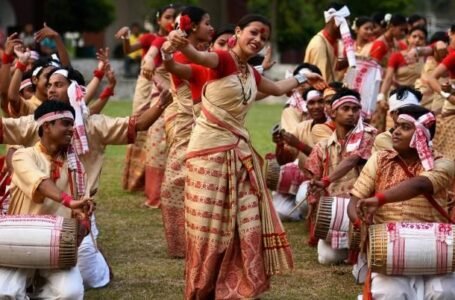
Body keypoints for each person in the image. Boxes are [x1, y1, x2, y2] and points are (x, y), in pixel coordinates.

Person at [165, 13, 326, 299]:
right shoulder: (221, 59)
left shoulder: (250, 73)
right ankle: (203, 289)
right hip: (209, 155)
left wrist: (303, 76)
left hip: (238, 154)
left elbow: (276, 88)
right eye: (253, 33)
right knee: (210, 230)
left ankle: (237, 287)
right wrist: (175, 45)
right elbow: (193, 56)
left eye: (263, 37)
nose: (258, 40)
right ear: (237, 32)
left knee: (245, 220)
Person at [1, 67, 172, 288]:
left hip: (76, 215)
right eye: (49, 84)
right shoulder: (37, 122)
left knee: (90, 280)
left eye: (58, 84)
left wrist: (161, 103)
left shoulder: (94, 125)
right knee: (9, 288)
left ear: (76, 90)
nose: (51, 89)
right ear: (46, 127)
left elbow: (138, 124)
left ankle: (93, 256)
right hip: (31, 215)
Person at [350, 105, 455, 299]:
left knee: (444, 293)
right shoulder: (380, 159)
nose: (395, 132)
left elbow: (421, 184)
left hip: (434, 247)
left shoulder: (443, 163)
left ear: (422, 135)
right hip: (389, 247)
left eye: (405, 127)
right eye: (395, 126)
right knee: (390, 294)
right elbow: (355, 199)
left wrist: (378, 199)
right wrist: (361, 225)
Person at [0, 100, 92, 299]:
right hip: (19, 241)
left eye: (72, 123)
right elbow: (39, 182)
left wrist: (82, 221)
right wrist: (69, 201)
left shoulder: (76, 166)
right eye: (65, 123)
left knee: (71, 293)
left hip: (56, 246)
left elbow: (81, 211)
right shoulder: (22, 156)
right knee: (4, 293)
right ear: (47, 126)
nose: (71, 129)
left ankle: (37, 290)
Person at [304, 87, 377, 261]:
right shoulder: (322, 147)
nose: (351, 113)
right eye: (346, 109)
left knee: (362, 255)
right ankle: (347, 246)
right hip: (335, 211)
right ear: (333, 112)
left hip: (361, 207)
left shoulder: (369, 136)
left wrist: (326, 181)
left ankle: (356, 246)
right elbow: (314, 180)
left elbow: (352, 160)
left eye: (355, 109)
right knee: (326, 258)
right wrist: (316, 192)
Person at [120, 4, 176, 197]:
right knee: (139, 124)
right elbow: (129, 50)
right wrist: (126, 37)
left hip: (165, 83)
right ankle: (135, 179)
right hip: (147, 81)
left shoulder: (179, 41)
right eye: (167, 17)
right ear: (159, 20)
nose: (171, 21)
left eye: (174, 18)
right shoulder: (151, 38)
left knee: (157, 133)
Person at [379, 26, 427, 129]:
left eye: (421, 38)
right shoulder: (397, 56)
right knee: (393, 130)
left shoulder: (427, 59)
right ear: (408, 38)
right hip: (397, 97)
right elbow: (388, 78)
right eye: (414, 36)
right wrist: (382, 96)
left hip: (417, 99)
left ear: (425, 42)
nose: (417, 40)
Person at [369, 14, 408, 133]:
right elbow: (373, 68)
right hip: (378, 87)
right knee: (377, 121)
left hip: (392, 86)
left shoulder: (397, 43)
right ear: (391, 26)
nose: (403, 33)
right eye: (401, 29)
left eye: (404, 30)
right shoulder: (380, 44)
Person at [304, 3, 351, 82]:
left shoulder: (333, 41)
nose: (348, 26)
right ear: (334, 20)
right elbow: (320, 82)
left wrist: (351, 60)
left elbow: (331, 67)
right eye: (346, 21)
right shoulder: (319, 45)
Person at [373, 86, 421, 152]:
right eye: (401, 111)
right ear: (392, 114)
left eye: (412, 110)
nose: (406, 114)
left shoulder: (423, 134)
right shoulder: (383, 139)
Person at [280, 63, 322, 132]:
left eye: (307, 80)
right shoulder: (290, 108)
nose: (302, 84)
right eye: (300, 80)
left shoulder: (325, 100)